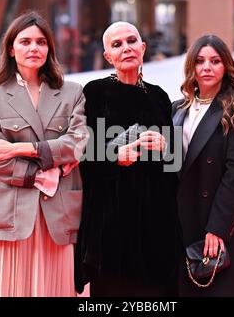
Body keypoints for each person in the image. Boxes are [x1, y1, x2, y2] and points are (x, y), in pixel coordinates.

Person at [0, 11, 88, 297]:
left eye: (41, 42)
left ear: (50, 48)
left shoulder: (73, 92)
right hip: (12, 212)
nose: (34, 48)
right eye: (25, 42)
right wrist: (50, 171)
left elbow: (78, 144)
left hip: (59, 213)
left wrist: (19, 148)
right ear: (11, 49)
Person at [74, 21, 181, 297]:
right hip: (111, 225)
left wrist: (168, 146)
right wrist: (113, 156)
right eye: (117, 45)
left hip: (156, 223)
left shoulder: (159, 97)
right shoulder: (94, 93)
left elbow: (175, 164)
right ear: (108, 56)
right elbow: (79, 155)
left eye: (132, 41)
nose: (126, 48)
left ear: (143, 48)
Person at [172, 35, 234, 296]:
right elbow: (171, 168)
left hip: (219, 222)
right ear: (192, 66)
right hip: (182, 222)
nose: (207, 67)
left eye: (215, 61)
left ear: (226, 67)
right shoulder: (177, 109)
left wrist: (217, 228)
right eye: (200, 61)